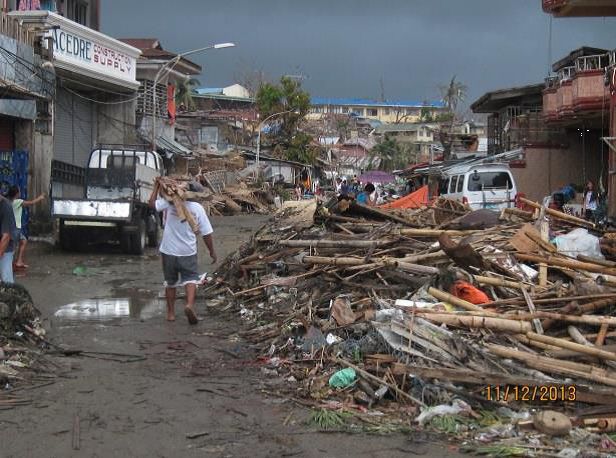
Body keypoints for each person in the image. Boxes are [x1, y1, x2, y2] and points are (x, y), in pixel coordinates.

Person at [149, 180, 217, 324]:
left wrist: (156, 187)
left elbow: (151, 204)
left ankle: (171, 314)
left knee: (170, 283)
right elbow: (206, 233)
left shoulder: (169, 203)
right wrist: (212, 251)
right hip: (188, 251)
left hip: (168, 251)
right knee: (191, 279)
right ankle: (189, 305)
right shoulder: (197, 208)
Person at [6, 186, 45, 269]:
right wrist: (40, 198)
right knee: (12, 247)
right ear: (16, 194)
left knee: (22, 241)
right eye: (19, 191)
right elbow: (31, 203)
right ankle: (8, 264)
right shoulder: (18, 202)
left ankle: (18, 261)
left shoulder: (6, 202)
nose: (20, 192)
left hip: (8, 227)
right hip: (15, 227)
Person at [0, 194, 16, 283]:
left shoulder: (6, 207)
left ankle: (11, 295)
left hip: (5, 248)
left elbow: (6, 236)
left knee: (7, 282)